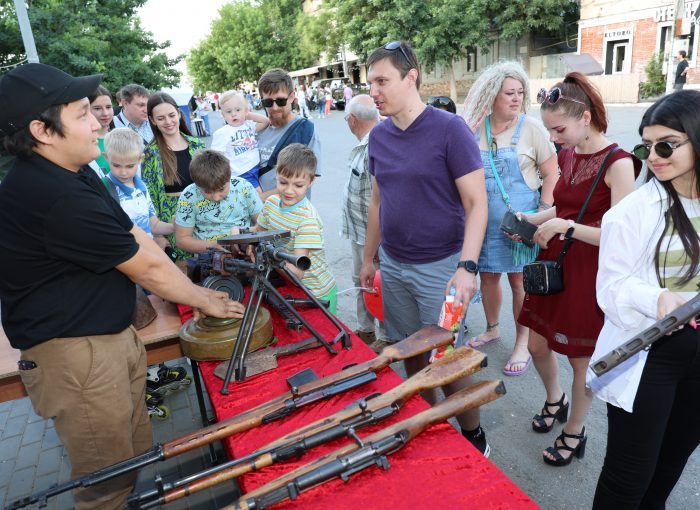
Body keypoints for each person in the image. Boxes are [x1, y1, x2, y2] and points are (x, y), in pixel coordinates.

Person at [0, 63, 243, 510]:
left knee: (129, 458)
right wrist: (204, 299)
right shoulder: (51, 194)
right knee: (105, 486)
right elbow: (145, 269)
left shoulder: (73, 170)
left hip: (106, 339)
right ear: (42, 130)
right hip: (78, 356)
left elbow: (139, 241)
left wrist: (200, 294)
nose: (98, 121)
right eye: (81, 114)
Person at [358, 41, 490, 455]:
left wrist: (467, 268)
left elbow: (477, 204)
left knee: (447, 360)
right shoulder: (378, 137)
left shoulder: (450, 129)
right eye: (370, 83)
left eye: (382, 81)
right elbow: (378, 201)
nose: (374, 91)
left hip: (443, 267)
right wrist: (367, 258)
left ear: (410, 77)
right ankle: (433, 428)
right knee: (407, 351)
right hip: (394, 266)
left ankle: (472, 436)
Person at [516, 72, 640, 466]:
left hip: (589, 271)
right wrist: (534, 219)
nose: (554, 138)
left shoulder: (619, 163)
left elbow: (623, 237)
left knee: (579, 359)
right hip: (555, 259)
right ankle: (556, 398)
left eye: (559, 128)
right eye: (550, 129)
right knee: (536, 344)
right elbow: (566, 207)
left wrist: (564, 226)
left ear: (585, 117)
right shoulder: (568, 154)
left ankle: (575, 430)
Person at [589, 90, 700, 509]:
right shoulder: (635, 210)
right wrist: (658, 298)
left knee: (672, 462)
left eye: (666, 144)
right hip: (650, 351)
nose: (653, 156)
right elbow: (611, 288)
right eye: (646, 145)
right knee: (628, 476)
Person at [461, 61, 559, 376]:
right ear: (492, 95)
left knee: (519, 282)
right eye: (509, 93)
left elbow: (552, 172)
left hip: (521, 225)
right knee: (488, 276)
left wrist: (540, 212)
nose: (516, 99)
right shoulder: (476, 126)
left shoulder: (531, 128)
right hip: (484, 223)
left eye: (520, 93)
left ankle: (522, 340)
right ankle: (492, 328)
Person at [256, 143, 337, 312]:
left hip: (316, 293)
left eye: (298, 185)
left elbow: (298, 273)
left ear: (311, 181)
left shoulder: (307, 220)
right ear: (276, 174)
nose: (289, 191)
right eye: (283, 182)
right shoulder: (270, 204)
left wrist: (266, 254)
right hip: (288, 286)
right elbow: (257, 233)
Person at [342, 94, 386, 345]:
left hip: (372, 236)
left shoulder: (374, 145)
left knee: (376, 287)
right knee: (362, 282)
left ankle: (384, 336)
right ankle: (366, 329)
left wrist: (376, 245)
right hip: (360, 232)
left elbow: (380, 200)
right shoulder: (366, 143)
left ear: (353, 120)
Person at [142, 92, 205, 258]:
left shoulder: (197, 145)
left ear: (178, 113)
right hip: (173, 229)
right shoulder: (151, 154)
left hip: (205, 223)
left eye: (171, 115)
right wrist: (158, 235)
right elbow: (149, 198)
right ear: (153, 121)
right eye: (161, 118)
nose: (168, 122)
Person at [175, 149, 263, 253]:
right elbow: (182, 240)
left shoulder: (244, 188)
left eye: (221, 189)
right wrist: (214, 245)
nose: (216, 197)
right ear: (197, 185)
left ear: (229, 177)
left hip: (246, 250)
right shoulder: (189, 196)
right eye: (208, 192)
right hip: (207, 255)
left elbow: (262, 225)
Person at [256, 68, 320, 202]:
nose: (274, 107)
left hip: (289, 215)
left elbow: (304, 181)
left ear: (291, 97)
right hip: (259, 215)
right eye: (268, 102)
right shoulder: (258, 128)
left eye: (280, 101)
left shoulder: (305, 130)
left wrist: (259, 199)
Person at [103, 128, 174, 239]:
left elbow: (153, 225)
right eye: (116, 165)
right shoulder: (103, 187)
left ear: (140, 159)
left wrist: (174, 227)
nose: (123, 172)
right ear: (107, 158)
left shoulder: (142, 187)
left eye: (130, 166)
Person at [211, 90, 270, 191]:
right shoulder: (222, 133)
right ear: (223, 114)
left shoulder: (249, 125)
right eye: (228, 112)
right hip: (241, 173)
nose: (233, 114)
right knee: (259, 197)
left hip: (257, 168)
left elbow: (265, 121)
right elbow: (216, 157)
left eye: (238, 110)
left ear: (245, 110)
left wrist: (247, 114)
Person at [88, 85, 115, 178]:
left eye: (108, 107)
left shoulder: (120, 138)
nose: (105, 113)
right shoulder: (82, 143)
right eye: (97, 108)